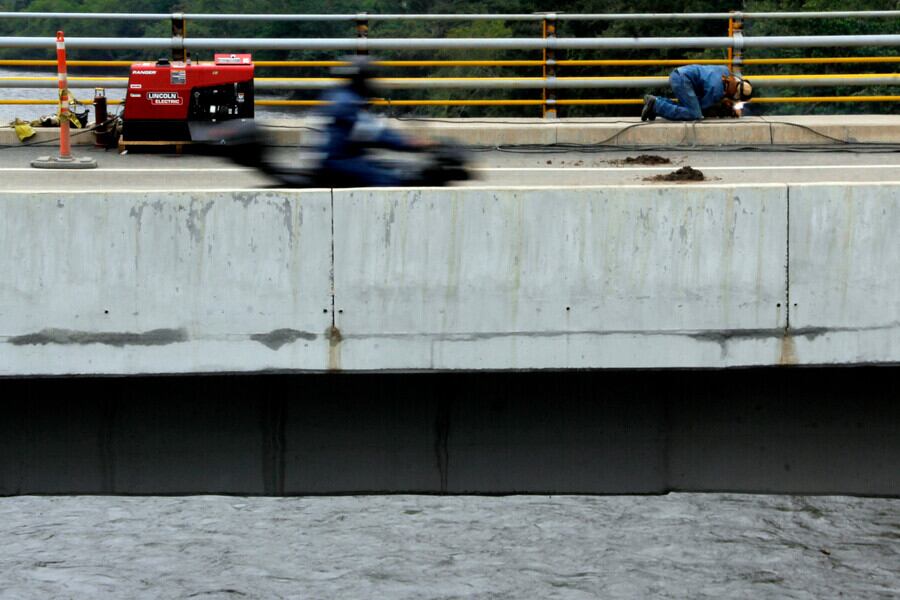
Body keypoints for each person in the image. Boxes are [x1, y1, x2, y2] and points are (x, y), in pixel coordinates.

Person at [318, 56, 427, 186]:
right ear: (361, 80)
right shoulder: (347, 102)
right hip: (340, 162)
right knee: (392, 180)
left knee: (391, 166)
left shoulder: (340, 95)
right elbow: (376, 134)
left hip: (340, 158)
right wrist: (411, 143)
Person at [641, 65, 753, 122]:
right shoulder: (716, 91)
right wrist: (727, 109)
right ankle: (656, 106)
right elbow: (701, 107)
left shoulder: (725, 71)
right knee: (694, 114)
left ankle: (655, 101)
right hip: (683, 80)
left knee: (690, 108)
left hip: (681, 74)